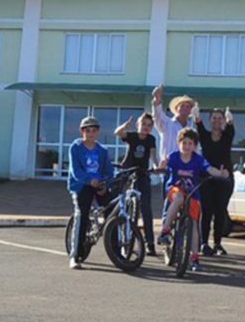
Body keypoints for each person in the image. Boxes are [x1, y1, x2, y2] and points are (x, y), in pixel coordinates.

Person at [158, 128, 229, 272]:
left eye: (190, 143)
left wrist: (220, 174)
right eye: (184, 143)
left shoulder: (198, 159)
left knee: (194, 222)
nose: (187, 146)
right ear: (179, 144)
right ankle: (165, 231)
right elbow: (163, 167)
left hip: (192, 193)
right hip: (175, 189)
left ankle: (195, 257)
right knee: (177, 199)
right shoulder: (173, 157)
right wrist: (162, 166)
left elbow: (209, 169)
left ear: (195, 146)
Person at [67, 116, 114, 269]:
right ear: (82, 131)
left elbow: (108, 171)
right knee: (82, 214)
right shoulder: (75, 147)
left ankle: (116, 249)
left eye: (94, 130)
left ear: (98, 132)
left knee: (113, 210)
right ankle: (75, 255)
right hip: (82, 185)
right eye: (87, 130)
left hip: (98, 185)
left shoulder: (102, 150)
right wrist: (89, 181)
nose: (91, 134)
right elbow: (76, 172)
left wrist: (104, 184)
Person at [114, 113, 159, 256]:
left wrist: (156, 166)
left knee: (146, 207)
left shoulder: (151, 139)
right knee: (114, 192)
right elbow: (118, 132)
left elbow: (153, 153)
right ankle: (114, 231)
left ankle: (150, 243)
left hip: (142, 172)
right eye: (143, 124)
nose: (146, 127)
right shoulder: (132, 136)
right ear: (138, 125)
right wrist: (125, 127)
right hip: (127, 170)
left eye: (149, 125)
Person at [195, 106, 235, 257]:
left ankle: (218, 243)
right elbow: (198, 124)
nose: (217, 121)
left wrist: (230, 120)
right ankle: (204, 243)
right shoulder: (204, 135)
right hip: (207, 178)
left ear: (223, 120)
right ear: (210, 120)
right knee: (206, 211)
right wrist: (196, 115)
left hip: (224, 178)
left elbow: (231, 128)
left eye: (220, 118)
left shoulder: (227, 135)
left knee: (220, 211)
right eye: (214, 118)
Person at [151, 84, 195, 164]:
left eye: (188, 107)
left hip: (187, 170)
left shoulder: (192, 130)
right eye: (182, 106)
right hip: (168, 168)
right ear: (176, 108)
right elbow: (157, 114)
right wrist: (157, 98)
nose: (185, 108)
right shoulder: (167, 124)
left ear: (190, 111)